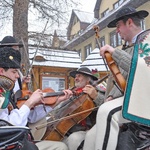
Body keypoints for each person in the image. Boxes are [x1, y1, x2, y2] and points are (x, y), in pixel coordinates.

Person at [82, 7, 149, 150]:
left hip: (144, 102)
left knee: (107, 111)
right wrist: (111, 96)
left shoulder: (147, 40)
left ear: (129, 22)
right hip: (132, 101)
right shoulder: (128, 47)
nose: (117, 31)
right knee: (90, 136)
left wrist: (114, 52)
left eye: (118, 26)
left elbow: (142, 68)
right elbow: (122, 82)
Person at [0, 47, 73, 149]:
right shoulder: (2, 94)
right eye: (14, 71)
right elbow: (10, 127)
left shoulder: (6, 90)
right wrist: (29, 102)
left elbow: (30, 118)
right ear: (1, 71)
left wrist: (56, 102)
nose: (17, 76)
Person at [61, 67, 105, 150]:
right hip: (69, 128)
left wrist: (96, 97)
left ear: (88, 80)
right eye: (76, 76)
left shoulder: (96, 91)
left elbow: (106, 106)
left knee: (73, 139)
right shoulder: (73, 92)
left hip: (88, 129)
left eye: (79, 76)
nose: (76, 78)